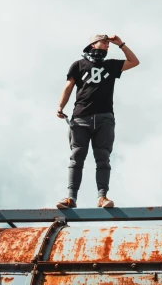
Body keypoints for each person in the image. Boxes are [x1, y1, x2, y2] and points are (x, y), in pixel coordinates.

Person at [56, 34, 140, 209]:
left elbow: (134, 61)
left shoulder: (111, 65)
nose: (107, 47)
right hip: (81, 117)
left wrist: (121, 44)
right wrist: (60, 106)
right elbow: (69, 86)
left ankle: (102, 197)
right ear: (92, 44)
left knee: (103, 158)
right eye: (104, 43)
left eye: (108, 45)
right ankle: (71, 198)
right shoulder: (78, 65)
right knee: (76, 157)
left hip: (105, 118)